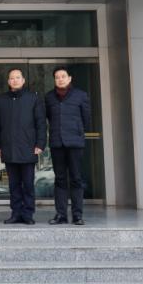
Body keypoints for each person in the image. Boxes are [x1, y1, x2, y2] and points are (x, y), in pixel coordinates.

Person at [0, 68, 46, 226]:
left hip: (28, 147)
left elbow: (41, 123)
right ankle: (16, 213)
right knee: (13, 185)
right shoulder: (1, 100)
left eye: (17, 77)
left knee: (28, 184)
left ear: (23, 80)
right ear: (8, 81)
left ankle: (28, 214)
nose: (14, 80)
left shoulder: (33, 98)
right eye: (12, 78)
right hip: (8, 148)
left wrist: (40, 144)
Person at [45, 65, 93, 226]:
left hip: (75, 143)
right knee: (59, 179)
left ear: (69, 78)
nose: (60, 79)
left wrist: (78, 132)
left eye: (63, 76)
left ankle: (77, 215)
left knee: (76, 179)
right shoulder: (49, 97)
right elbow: (49, 118)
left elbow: (86, 119)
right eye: (57, 77)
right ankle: (61, 215)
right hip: (57, 143)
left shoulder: (81, 95)